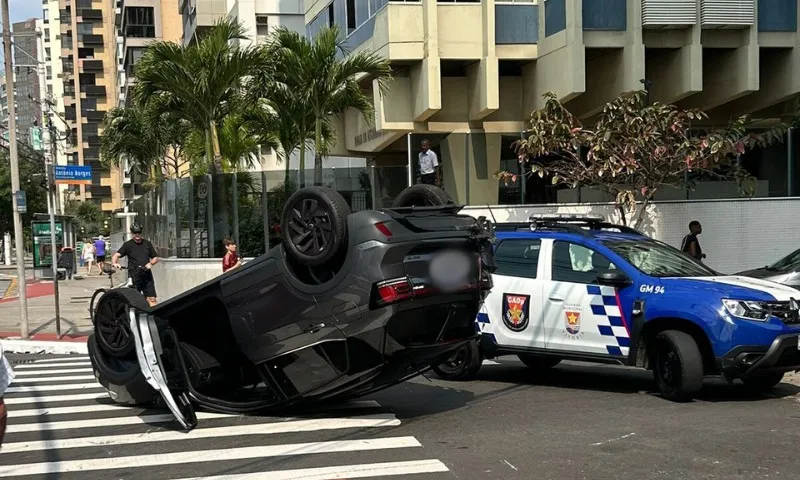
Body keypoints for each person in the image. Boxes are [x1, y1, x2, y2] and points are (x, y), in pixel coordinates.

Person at [112, 223, 160, 306]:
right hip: (134, 274)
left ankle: (154, 317)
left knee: (152, 299)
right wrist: (115, 263)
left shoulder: (147, 244)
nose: (137, 235)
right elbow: (116, 255)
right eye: (135, 233)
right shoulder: (128, 245)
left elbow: (155, 258)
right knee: (135, 300)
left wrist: (151, 263)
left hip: (146, 274)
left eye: (139, 233)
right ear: (132, 233)